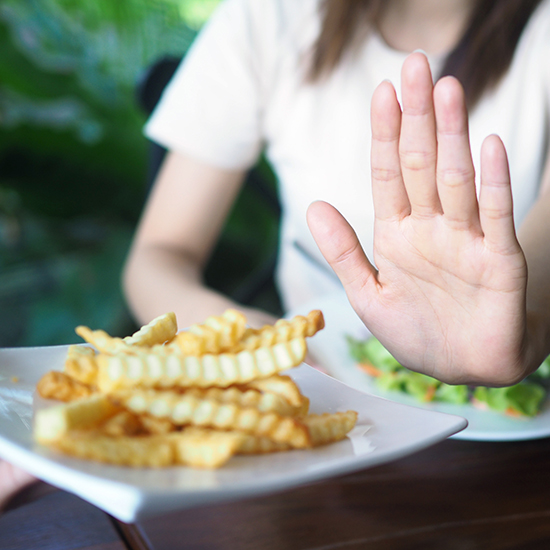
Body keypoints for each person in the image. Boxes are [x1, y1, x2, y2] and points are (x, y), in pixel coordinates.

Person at [5, 0, 550, 508]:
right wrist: (252, 340)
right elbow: (158, 257)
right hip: (308, 445)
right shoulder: (268, 17)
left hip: (516, 472)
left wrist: (524, 330)